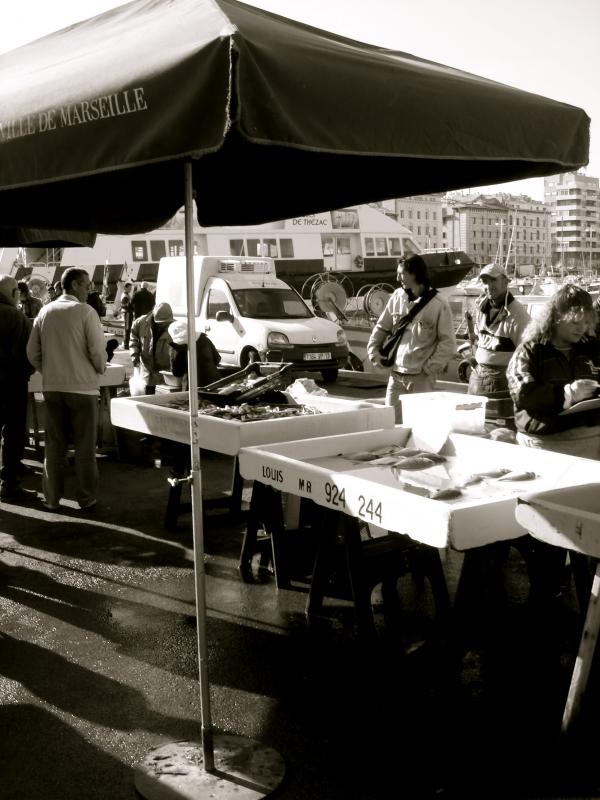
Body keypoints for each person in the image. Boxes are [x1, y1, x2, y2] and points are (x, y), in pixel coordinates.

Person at [507, 284, 600, 601]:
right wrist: (567, 395)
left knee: (586, 529)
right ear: (554, 316)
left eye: (585, 320)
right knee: (547, 532)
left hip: (589, 452)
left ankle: (585, 592)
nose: (581, 327)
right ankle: (545, 593)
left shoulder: (591, 348)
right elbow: (524, 394)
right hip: (546, 453)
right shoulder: (530, 351)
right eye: (574, 319)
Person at [26, 267, 107, 512]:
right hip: (82, 388)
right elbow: (96, 351)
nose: (89, 289)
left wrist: (48, 370)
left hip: (53, 387)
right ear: (73, 285)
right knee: (84, 447)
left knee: (54, 445)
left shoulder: (44, 312)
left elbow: (32, 352)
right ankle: (86, 497)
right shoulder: (86, 312)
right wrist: (99, 368)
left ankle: (51, 498)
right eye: (86, 284)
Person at [367, 254, 456, 422]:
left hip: (421, 378)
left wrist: (429, 368)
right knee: (390, 422)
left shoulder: (439, 304)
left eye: (401, 273)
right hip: (396, 375)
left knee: (419, 425)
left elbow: (448, 342)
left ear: (414, 274)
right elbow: (381, 327)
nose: (397, 277)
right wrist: (373, 351)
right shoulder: (397, 296)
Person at [466, 263, 530, 396]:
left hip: (503, 381)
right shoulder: (481, 307)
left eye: (493, 280)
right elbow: (479, 339)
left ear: (506, 282)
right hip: (477, 376)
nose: (488, 286)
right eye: (484, 282)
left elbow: (528, 354)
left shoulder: (518, 314)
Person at [0, 276, 36, 500]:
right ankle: (9, 484)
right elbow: (29, 354)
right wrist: (27, 372)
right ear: (14, 293)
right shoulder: (17, 317)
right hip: (12, 383)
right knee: (13, 433)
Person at [129, 302, 174, 394]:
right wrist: (134, 355)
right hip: (147, 369)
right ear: (154, 316)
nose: (163, 325)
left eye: (166, 323)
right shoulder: (140, 322)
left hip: (164, 373)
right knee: (146, 395)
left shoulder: (175, 326)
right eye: (161, 323)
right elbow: (133, 340)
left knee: (160, 400)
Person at [168, 319, 221, 389]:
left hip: (191, 388)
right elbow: (217, 359)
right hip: (213, 383)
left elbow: (177, 373)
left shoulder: (177, 348)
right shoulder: (205, 339)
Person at [119, 282, 134, 348]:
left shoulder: (126, 294)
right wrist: (132, 305)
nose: (130, 289)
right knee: (127, 328)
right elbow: (125, 305)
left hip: (127, 312)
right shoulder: (125, 296)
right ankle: (126, 344)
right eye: (129, 288)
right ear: (125, 288)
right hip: (127, 313)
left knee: (127, 328)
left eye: (131, 288)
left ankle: (126, 343)